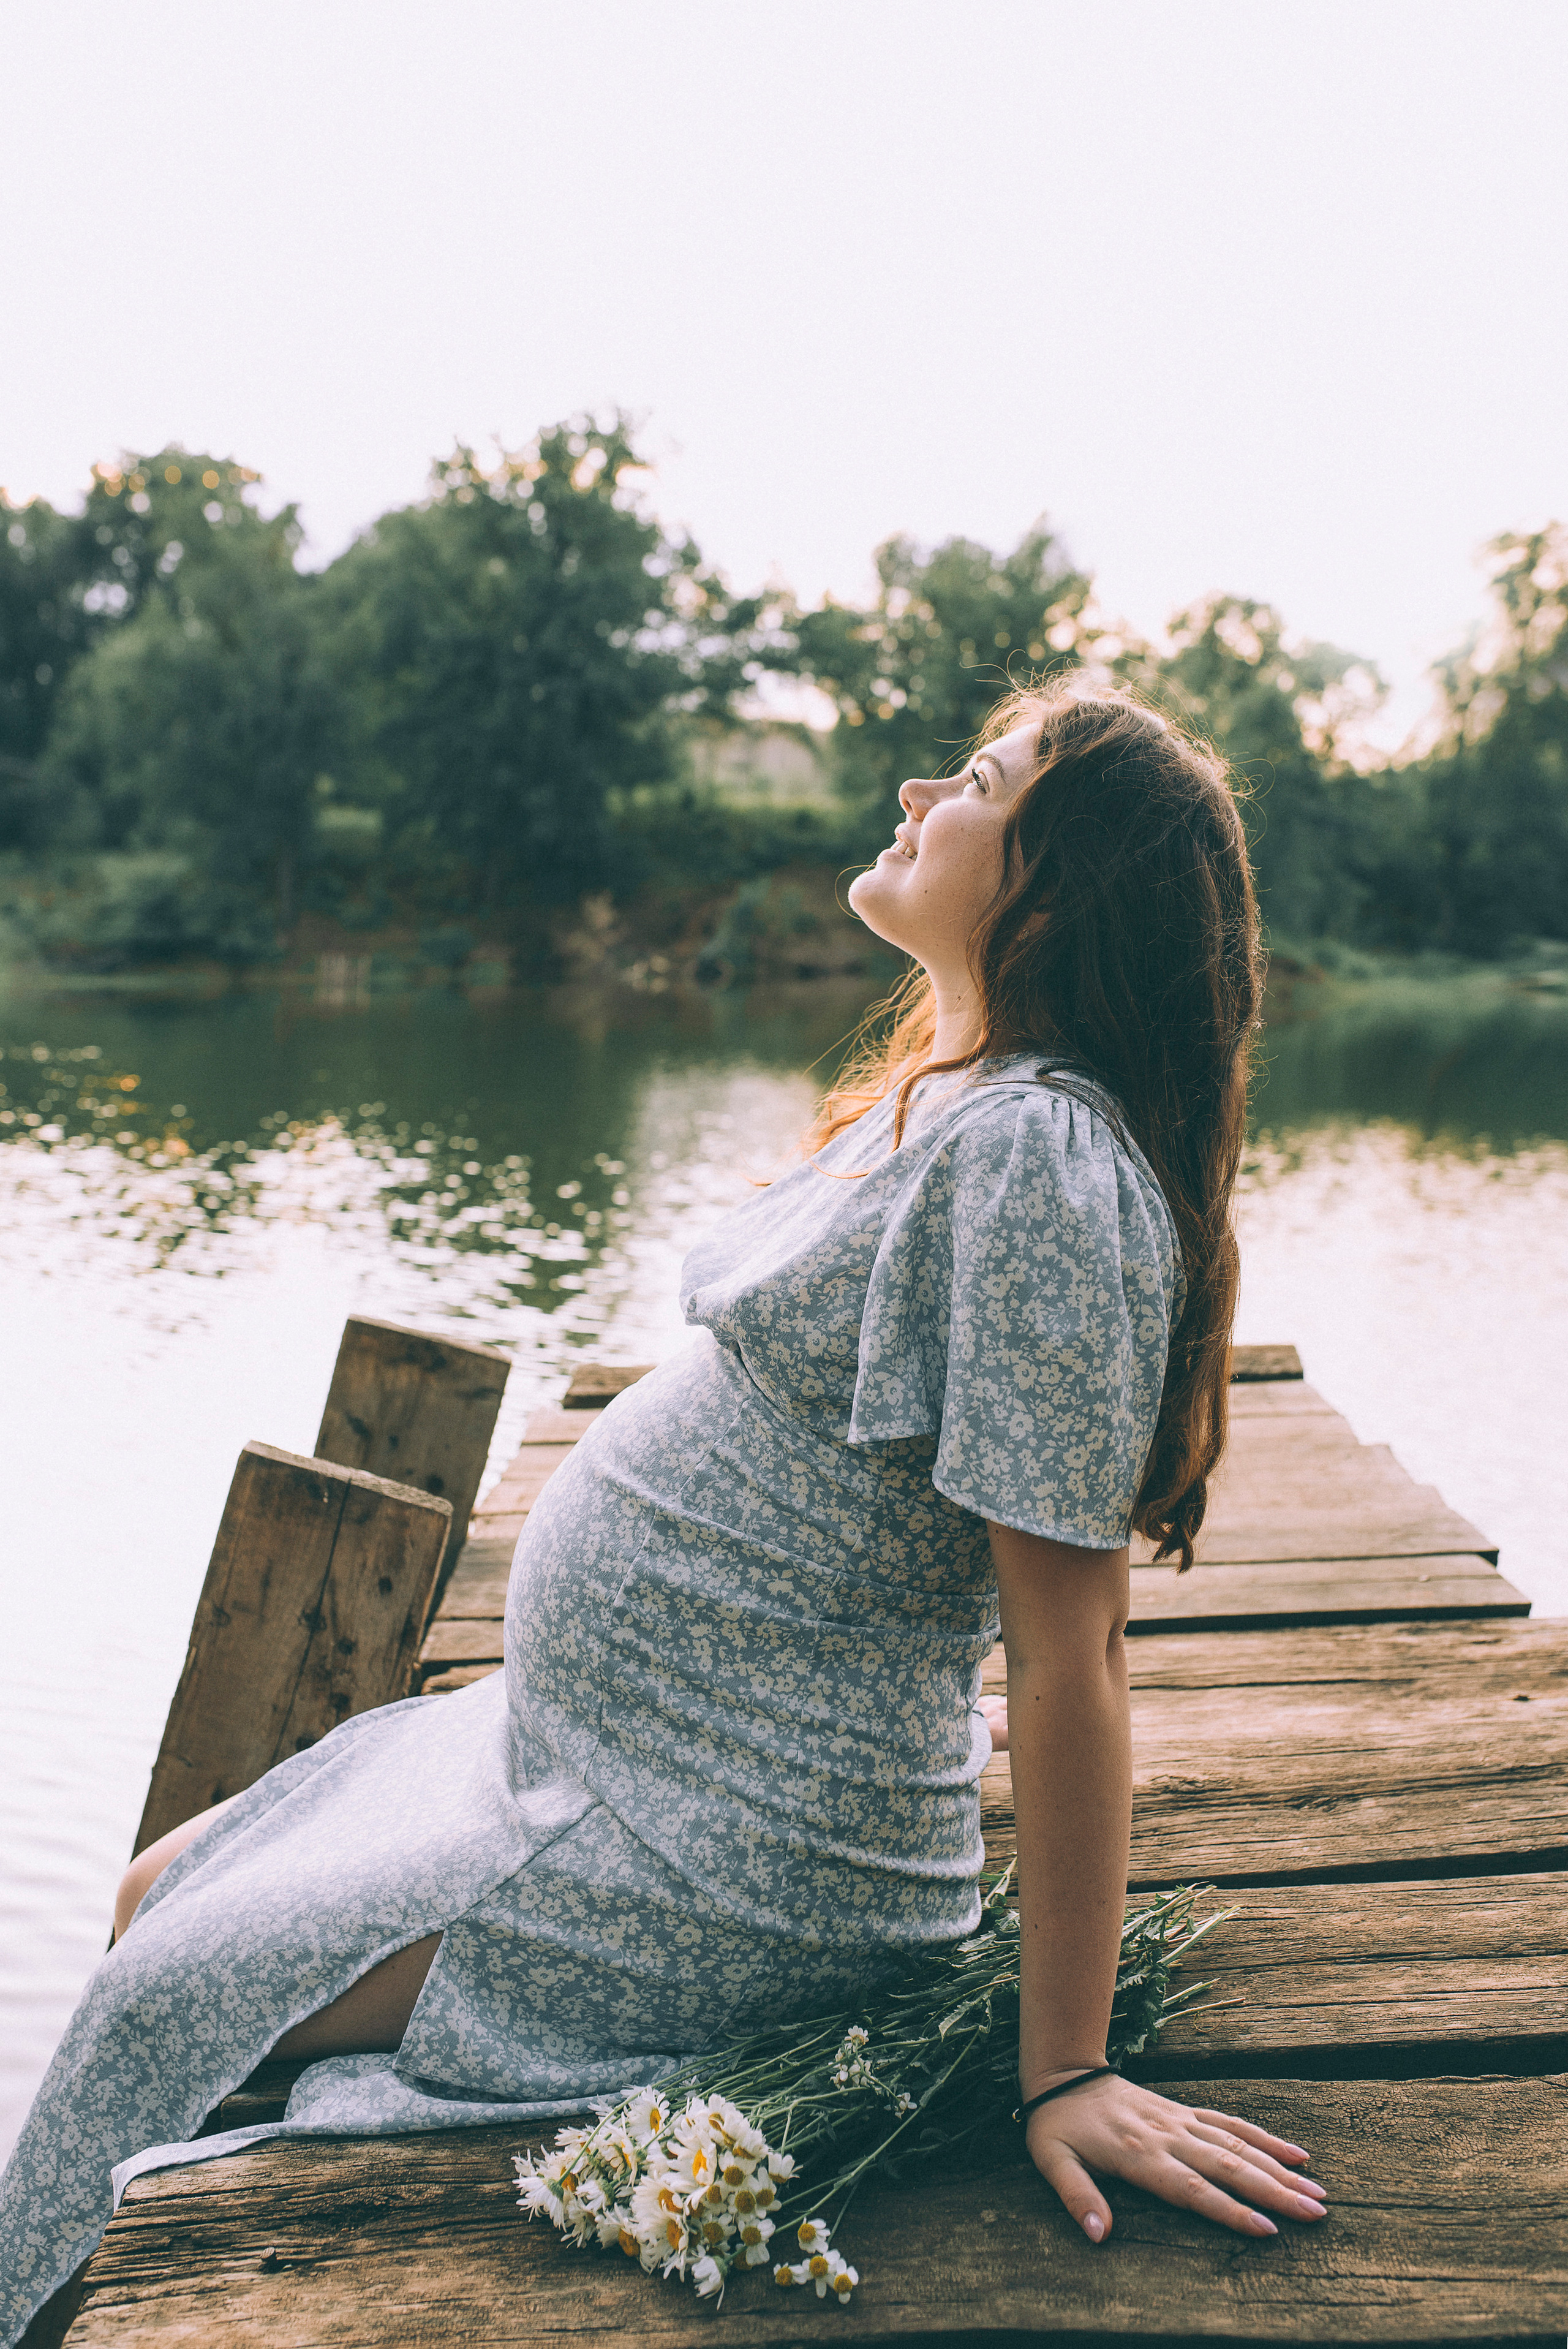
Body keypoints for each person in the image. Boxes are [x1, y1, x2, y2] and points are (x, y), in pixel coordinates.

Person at [0, 683, 1324, 2344]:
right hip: (603, 1765)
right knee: (155, 1898)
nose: (920, 787)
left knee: (170, 1992)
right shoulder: (963, 1104)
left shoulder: (1041, 1165)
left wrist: (1064, 2067)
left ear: (1056, 892)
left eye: (976, 779)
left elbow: (1076, 1653)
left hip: (714, 1852)